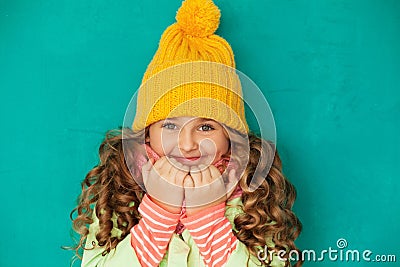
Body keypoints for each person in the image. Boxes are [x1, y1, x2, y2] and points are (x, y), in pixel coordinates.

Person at [70, 0, 302, 266]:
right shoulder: (121, 191)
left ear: (231, 137)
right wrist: (160, 211)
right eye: (169, 125)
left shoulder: (253, 195)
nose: (187, 144)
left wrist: (207, 215)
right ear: (147, 134)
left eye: (206, 127)